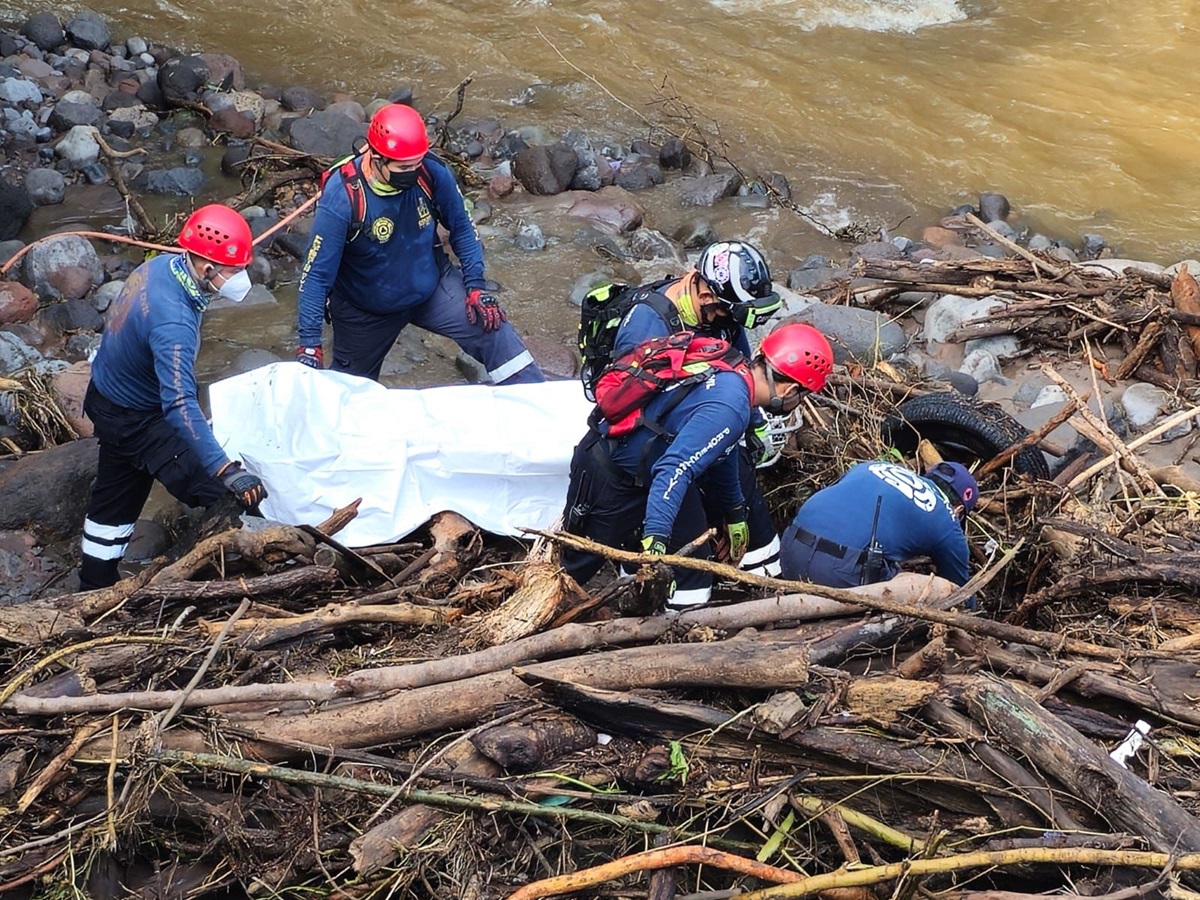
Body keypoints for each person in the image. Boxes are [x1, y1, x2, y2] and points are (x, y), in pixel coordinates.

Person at [562, 323, 834, 607]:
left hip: (647, 472)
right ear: (790, 389)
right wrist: (657, 541)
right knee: (575, 568)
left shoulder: (736, 372)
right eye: (803, 396)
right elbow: (674, 469)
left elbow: (722, 450)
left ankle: (648, 612)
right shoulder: (730, 407)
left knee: (692, 570)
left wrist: (734, 511)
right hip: (611, 474)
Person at [79, 204, 269, 590]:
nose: (240, 279)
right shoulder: (174, 322)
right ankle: (190, 573)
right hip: (139, 419)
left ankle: (94, 583)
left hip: (106, 396)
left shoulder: (160, 267)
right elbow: (179, 404)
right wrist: (226, 470)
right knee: (224, 496)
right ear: (207, 268)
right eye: (234, 271)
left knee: (115, 500)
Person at [294, 103, 544, 385]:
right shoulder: (344, 197)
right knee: (348, 395)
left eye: (417, 162)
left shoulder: (432, 171)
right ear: (376, 157)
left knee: (494, 329)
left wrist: (475, 285)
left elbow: (461, 226)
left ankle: (534, 399)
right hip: (364, 309)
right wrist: (309, 343)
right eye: (404, 167)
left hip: (432, 287)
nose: (413, 171)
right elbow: (315, 275)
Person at [587, 240, 786, 575]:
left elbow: (742, 374)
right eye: (726, 312)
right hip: (645, 438)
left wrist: (754, 424)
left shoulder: (722, 317)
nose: (730, 321)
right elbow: (632, 409)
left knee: (739, 458)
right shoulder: (647, 326)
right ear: (706, 296)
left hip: (694, 415)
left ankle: (754, 557)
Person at [779, 460, 978, 588]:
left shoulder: (873, 466)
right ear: (959, 510)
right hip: (836, 574)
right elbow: (957, 592)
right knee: (916, 588)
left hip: (790, 546)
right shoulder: (948, 522)